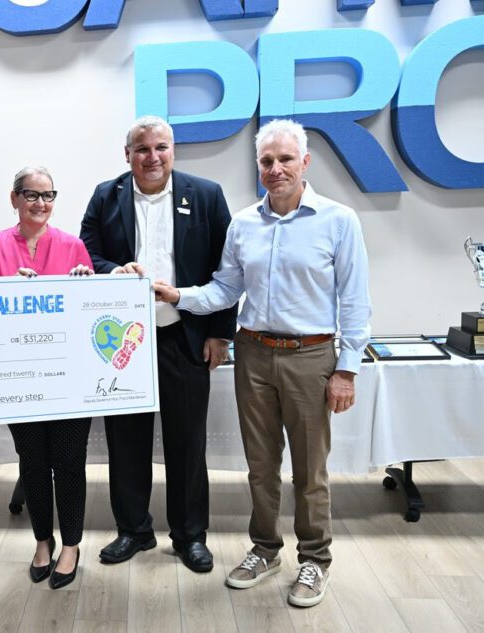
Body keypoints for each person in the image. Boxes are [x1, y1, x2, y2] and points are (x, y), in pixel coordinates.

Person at [154, 119, 371, 607]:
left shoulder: (339, 221)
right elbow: (226, 289)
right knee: (260, 465)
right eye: (267, 161)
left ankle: (314, 559)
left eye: (285, 159)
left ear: (305, 163)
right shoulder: (244, 223)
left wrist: (346, 369)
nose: (276, 169)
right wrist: (179, 295)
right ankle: (265, 550)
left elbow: (356, 302)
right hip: (252, 353)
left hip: (311, 356)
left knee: (310, 470)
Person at [79, 115, 236, 573]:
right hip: (123, 344)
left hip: (184, 337)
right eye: (142, 149)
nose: (152, 157)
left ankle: (190, 536)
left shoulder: (206, 195)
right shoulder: (105, 195)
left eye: (161, 147)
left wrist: (220, 333)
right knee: (125, 441)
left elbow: (227, 269)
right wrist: (113, 271)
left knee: (187, 443)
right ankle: (133, 530)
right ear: (127, 154)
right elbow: (87, 252)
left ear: (174, 150)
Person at [0, 166, 94, 589]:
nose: (40, 203)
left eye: (48, 196)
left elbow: (90, 314)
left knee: (69, 462)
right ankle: (43, 541)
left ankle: (71, 545)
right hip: (19, 376)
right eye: (31, 195)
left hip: (68, 376)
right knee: (32, 462)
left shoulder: (73, 246)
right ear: (14, 199)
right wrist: (6, 291)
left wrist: (86, 285)